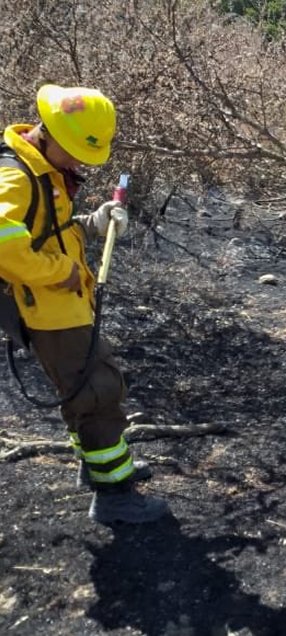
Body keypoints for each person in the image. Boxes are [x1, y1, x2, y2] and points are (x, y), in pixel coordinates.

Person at [0, 84, 167, 524]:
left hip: (61, 303)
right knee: (97, 390)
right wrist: (62, 272)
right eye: (73, 153)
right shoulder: (15, 177)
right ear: (48, 133)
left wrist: (91, 225)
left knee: (84, 389)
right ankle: (113, 494)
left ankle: (96, 465)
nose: (77, 163)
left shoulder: (40, 170)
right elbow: (5, 248)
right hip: (47, 307)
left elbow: (44, 232)